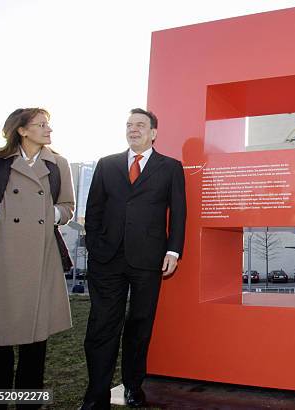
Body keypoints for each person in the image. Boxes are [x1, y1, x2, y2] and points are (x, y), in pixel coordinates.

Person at [81, 108, 186, 409]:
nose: (133, 129)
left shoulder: (170, 167)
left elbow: (178, 213)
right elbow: (95, 209)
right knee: (102, 326)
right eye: (129, 125)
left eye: (140, 125)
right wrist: (95, 246)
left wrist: (173, 250)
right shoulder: (107, 164)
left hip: (148, 259)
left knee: (139, 326)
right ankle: (96, 395)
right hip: (107, 260)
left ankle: (132, 386)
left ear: (153, 132)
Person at [0, 108, 75, 408]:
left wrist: (51, 213)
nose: (48, 129)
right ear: (22, 130)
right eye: (41, 124)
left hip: (41, 258)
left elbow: (68, 206)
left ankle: (29, 403)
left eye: (48, 124)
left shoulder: (58, 164)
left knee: (36, 345)